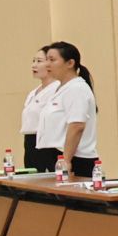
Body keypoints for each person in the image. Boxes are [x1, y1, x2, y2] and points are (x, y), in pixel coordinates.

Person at [39, 43, 96, 177]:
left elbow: (77, 126)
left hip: (75, 159)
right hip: (55, 156)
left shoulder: (77, 89)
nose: (47, 64)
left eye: (52, 60)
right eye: (46, 59)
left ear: (70, 63)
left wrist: (66, 160)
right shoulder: (60, 88)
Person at [18, 49, 51, 171]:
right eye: (33, 61)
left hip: (47, 143)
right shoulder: (33, 92)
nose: (34, 65)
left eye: (39, 61)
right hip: (30, 142)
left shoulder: (56, 90)